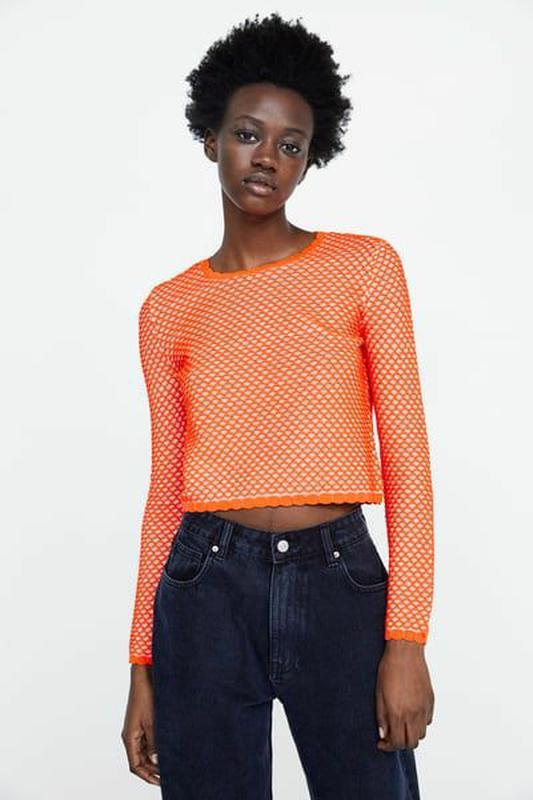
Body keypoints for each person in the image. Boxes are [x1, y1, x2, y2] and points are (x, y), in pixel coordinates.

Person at [121, 12, 435, 799]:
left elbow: (406, 463)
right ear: (210, 140)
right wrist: (141, 666)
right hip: (203, 588)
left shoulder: (364, 268)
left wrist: (406, 639)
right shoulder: (168, 308)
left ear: (309, 159)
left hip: (338, 582)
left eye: (291, 145)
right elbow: (166, 490)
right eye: (247, 134)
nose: (266, 157)